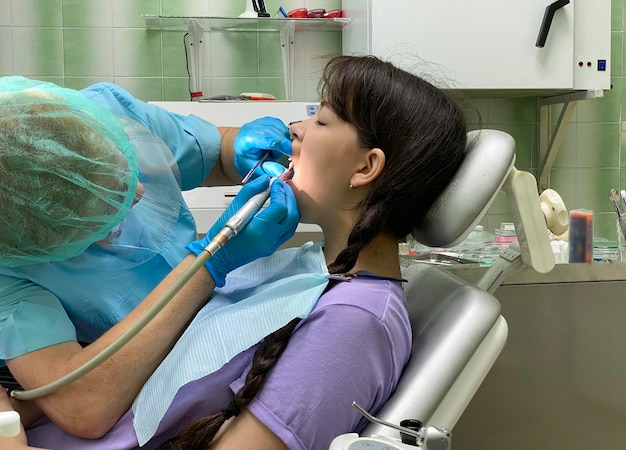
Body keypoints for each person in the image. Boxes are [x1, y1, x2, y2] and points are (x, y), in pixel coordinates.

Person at [22, 54, 468, 449]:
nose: (296, 128)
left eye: (322, 120)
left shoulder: (353, 322)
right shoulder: (304, 272)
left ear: (366, 167)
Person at [0, 76, 299, 443]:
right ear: (41, 242)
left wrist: (238, 148)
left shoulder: (101, 110)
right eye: (109, 211)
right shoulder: (8, 265)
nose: (140, 193)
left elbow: (216, 154)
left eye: (126, 166)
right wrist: (207, 265)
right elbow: (82, 406)